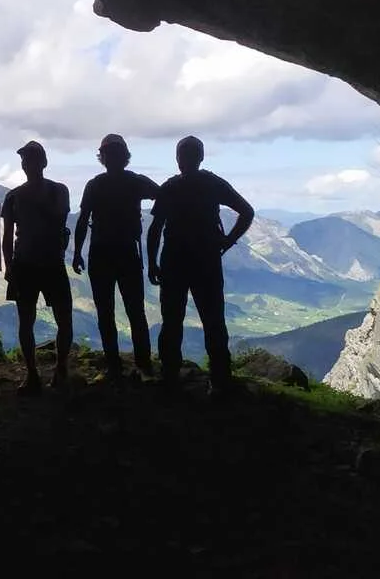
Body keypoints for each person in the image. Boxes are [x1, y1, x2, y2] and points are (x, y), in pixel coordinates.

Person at [146, 136, 254, 397]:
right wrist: (228, 241)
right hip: (207, 260)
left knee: (172, 321)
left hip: (174, 260)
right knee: (213, 320)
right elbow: (247, 212)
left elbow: (155, 229)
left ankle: (169, 377)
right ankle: (220, 380)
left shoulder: (170, 187)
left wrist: (151, 262)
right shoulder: (213, 183)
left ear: (178, 159)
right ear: (201, 157)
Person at [72, 134, 159, 379]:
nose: (110, 157)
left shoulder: (95, 185)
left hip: (102, 252)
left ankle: (115, 367)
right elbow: (163, 195)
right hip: (126, 252)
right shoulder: (135, 182)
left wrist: (78, 252)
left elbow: (83, 220)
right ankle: (142, 365)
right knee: (133, 310)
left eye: (111, 153)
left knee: (108, 312)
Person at [1, 141, 74, 395]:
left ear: (43, 163)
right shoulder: (55, 191)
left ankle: (52, 370)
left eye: (30, 160)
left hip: (37, 263)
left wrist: (10, 265)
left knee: (41, 320)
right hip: (36, 263)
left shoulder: (16, 196)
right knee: (39, 320)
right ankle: (39, 372)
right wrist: (9, 265)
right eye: (25, 161)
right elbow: (7, 236)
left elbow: (9, 236)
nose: (27, 165)